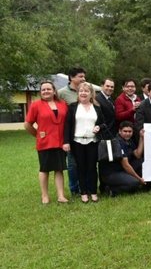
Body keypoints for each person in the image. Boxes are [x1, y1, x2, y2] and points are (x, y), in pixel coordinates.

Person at [24, 81, 69, 204]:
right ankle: (45, 196)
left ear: (54, 91)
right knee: (44, 169)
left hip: (60, 142)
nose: (46, 91)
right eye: (43, 90)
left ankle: (61, 196)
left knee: (59, 169)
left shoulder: (63, 104)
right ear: (40, 92)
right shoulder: (36, 105)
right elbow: (27, 124)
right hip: (45, 143)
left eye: (48, 89)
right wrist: (38, 135)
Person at [63, 82, 106, 203]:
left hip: (92, 141)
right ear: (78, 93)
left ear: (91, 94)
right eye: (81, 91)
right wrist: (66, 142)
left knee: (92, 167)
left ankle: (93, 192)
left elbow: (103, 123)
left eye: (86, 91)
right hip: (77, 142)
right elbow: (67, 125)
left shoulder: (96, 108)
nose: (83, 93)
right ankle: (83, 192)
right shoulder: (73, 107)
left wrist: (98, 127)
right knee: (80, 168)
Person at [58, 67, 86, 196]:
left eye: (84, 76)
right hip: (70, 133)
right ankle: (74, 189)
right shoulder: (61, 93)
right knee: (73, 164)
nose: (83, 79)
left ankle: (85, 187)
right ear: (71, 77)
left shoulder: (86, 90)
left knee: (85, 163)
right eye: (80, 76)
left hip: (86, 134)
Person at [99, 121, 145, 196]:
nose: (127, 133)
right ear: (119, 131)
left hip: (121, 171)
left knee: (141, 162)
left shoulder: (129, 141)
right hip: (111, 174)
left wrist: (141, 137)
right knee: (135, 182)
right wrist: (139, 179)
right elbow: (126, 165)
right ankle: (111, 190)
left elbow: (137, 155)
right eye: (125, 131)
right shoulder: (118, 142)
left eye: (130, 131)